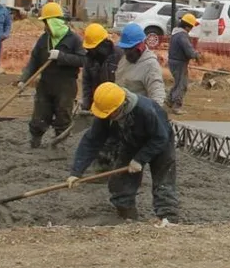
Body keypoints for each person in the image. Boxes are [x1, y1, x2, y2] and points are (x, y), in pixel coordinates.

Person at [66, 82, 181, 223]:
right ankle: (127, 216)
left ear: (122, 105)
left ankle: (168, 218)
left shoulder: (146, 110)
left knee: (164, 182)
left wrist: (140, 159)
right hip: (131, 142)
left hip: (160, 142)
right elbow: (91, 141)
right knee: (120, 183)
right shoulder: (107, 112)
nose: (108, 117)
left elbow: (160, 137)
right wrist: (76, 172)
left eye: (110, 114)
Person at [20, 1, 86, 148]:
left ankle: (59, 144)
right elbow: (33, 61)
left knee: (63, 116)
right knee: (40, 115)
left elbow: (83, 60)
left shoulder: (74, 40)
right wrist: (23, 80)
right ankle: (35, 141)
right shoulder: (44, 39)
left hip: (66, 85)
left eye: (46, 22)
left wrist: (61, 56)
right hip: (45, 84)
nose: (45, 26)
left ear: (54, 22)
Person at [114, 22, 168, 107]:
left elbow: (157, 95)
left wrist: (153, 115)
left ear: (140, 46)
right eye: (125, 49)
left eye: (130, 49)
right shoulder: (124, 59)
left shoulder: (150, 65)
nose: (126, 52)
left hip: (138, 114)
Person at [167, 13, 203, 111]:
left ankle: (170, 100)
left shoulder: (176, 33)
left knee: (178, 83)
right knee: (182, 85)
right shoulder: (182, 36)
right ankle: (176, 106)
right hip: (179, 63)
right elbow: (189, 50)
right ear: (187, 26)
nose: (191, 29)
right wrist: (196, 55)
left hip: (174, 61)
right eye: (191, 27)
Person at [80, 22, 119, 111]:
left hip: (116, 105)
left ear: (102, 44)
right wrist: (86, 105)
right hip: (98, 104)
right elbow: (87, 83)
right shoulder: (89, 59)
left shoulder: (118, 56)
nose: (91, 51)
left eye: (93, 48)